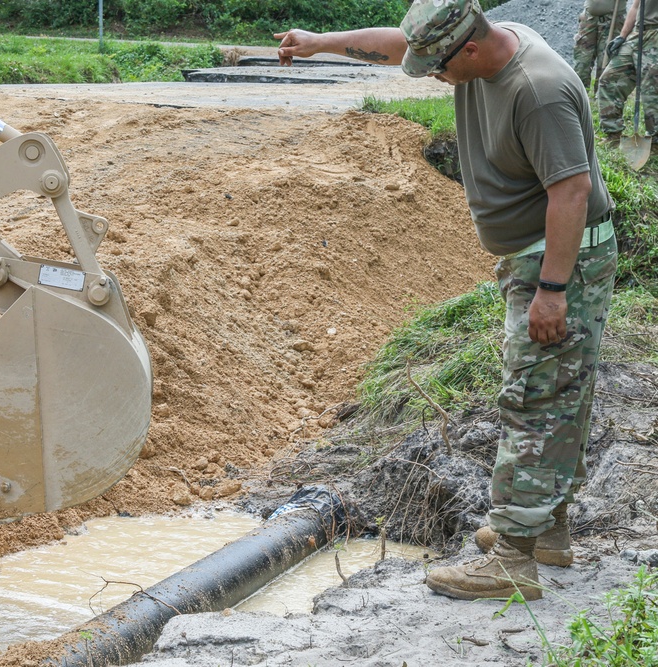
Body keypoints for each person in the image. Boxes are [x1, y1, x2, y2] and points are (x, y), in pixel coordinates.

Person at [276, 0, 617, 601]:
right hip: (539, 256)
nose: (433, 76)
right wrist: (318, 41)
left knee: (535, 397)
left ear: (469, 49)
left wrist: (553, 291)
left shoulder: (537, 90)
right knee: (560, 395)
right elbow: (396, 44)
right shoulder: (477, 51)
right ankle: (546, 530)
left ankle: (513, 557)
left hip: (563, 260)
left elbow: (572, 191)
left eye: (438, 67)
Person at [597, 0, 658, 143]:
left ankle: (655, 141)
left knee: (651, 91)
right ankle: (613, 134)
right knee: (609, 79)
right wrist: (622, 36)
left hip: (655, 34)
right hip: (637, 34)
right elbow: (636, 6)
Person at [574, 0, 628, 90]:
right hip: (589, 19)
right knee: (582, 62)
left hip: (612, 20)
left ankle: (600, 98)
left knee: (606, 62)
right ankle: (580, 96)